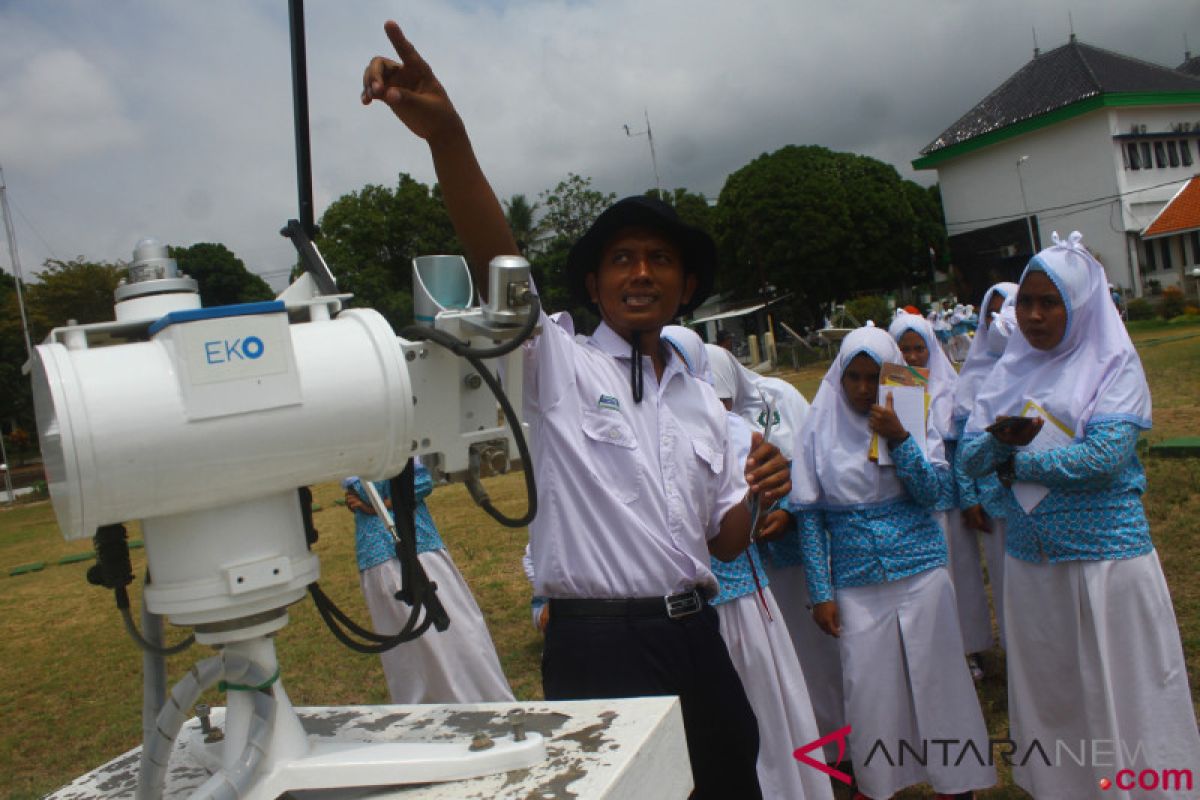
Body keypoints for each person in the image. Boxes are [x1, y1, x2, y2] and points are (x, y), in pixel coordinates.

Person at [361, 22, 791, 798]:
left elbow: (724, 545)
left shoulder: (704, 402)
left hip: (699, 629)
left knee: (732, 780)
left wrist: (764, 487)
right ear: (591, 285)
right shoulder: (557, 360)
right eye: (620, 259)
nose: (640, 272)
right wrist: (448, 137)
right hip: (600, 645)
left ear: (685, 288)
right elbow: (500, 259)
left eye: (660, 259)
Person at [958, 232, 1200, 799]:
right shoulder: (1009, 370)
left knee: (1127, 691)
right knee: (1055, 692)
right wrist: (1000, 444)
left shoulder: (1112, 364)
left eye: (1051, 302)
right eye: (1027, 302)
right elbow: (968, 458)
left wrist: (1014, 465)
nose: (1035, 315)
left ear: (1081, 305)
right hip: (1031, 564)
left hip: (1106, 564)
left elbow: (1105, 456)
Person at [789, 325, 995, 800]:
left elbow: (935, 493)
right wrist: (821, 593)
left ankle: (956, 784)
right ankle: (881, 784)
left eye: (874, 378)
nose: (863, 389)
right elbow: (811, 518)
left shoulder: (911, 416)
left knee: (940, 683)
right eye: (854, 378)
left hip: (921, 575)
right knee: (870, 691)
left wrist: (901, 439)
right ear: (839, 378)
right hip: (857, 584)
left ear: (892, 378)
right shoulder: (819, 429)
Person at [701, 342, 833, 800]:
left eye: (724, 400)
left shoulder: (779, 400)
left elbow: (813, 470)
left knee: (801, 673)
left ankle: (831, 754)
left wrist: (789, 509)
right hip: (743, 581)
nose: (716, 409)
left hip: (787, 562)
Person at [343, 464, 514, 704]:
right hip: (377, 553)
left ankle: (485, 703)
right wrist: (367, 504)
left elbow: (420, 483)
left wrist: (377, 506)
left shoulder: (394, 448)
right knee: (408, 651)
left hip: (418, 546)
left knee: (455, 632)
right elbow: (357, 492)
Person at [888, 310, 992, 681]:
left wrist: (968, 497)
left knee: (960, 577)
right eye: (904, 349)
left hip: (949, 500)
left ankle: (969, 648)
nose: (913, 357)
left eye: (919, 348)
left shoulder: (951, 388)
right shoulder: (891, 393)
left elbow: (963, 450)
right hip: (914, 502)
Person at [950, 282, 1018, 649]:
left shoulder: (1037, 365)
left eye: (1006, 310)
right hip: (993, 499)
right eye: (991, 314)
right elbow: (965, 445)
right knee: (1007, 579)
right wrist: (970, 497)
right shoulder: (974, 375)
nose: (999, 321)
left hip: (1035, 494)